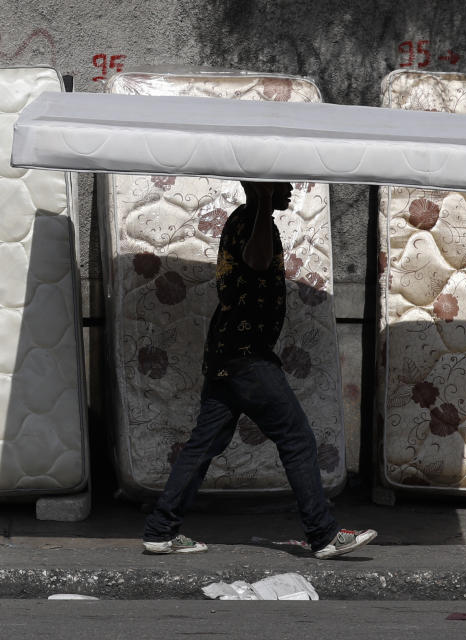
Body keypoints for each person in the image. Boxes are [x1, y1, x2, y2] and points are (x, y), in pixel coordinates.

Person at [142, 180, 376, 559]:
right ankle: (322, 534)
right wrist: (263, 201)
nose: (290, 190)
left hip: (228, 355)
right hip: (246, 356)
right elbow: (257, 261)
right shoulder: (251, 218)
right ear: (259, 185)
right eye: (280, 183)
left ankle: (160, 530)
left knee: (204, 444)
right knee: (297, 438)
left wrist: (264, 204)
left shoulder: (250, 218)